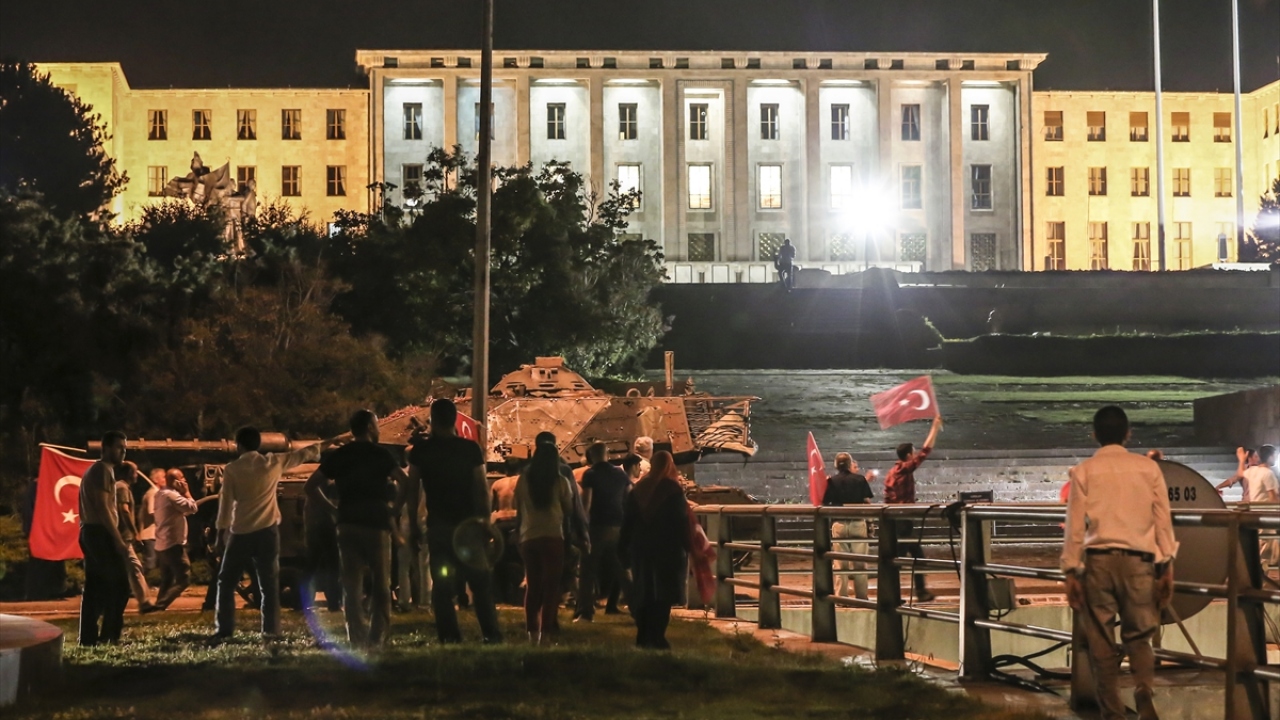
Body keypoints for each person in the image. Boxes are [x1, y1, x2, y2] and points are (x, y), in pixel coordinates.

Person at [1062, 406, 1177, 720]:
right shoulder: (1148, 469)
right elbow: (1162, 521)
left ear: (1095, 435)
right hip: (1140, 562)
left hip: (1098, 563)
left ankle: (1113, 713)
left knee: (1102, 646)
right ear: (1128, 434)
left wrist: (1070, 570)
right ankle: (1143, 690)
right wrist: (1166, 566)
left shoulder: (1083, 471)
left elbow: (1074, 526)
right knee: (1139, 638)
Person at [213, 427, 329, 640]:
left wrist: (221, 533)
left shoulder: (232, 469)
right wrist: (327, 444)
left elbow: (226, 503)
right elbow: (301, 455)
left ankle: (224, 629)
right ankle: (271, 630)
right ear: (258, 444)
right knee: (269, 583)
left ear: (239, 445)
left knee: (226, 581)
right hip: (267, 531)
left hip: (241, 531)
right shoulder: (272, 463)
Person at [306, 410, 408, 648]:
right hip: (376, 523)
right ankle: (378, 636)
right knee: (381, 583)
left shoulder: (341, 455)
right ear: (371, 428)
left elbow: (311, 486)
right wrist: (395, 508)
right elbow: (404, 481)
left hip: (348, 523)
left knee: (351, 585)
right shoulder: (381, 455)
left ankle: (356, 637)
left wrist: (332, 509)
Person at [406, 398, 502, 644]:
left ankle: (449, 636)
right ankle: (491, 634)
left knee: (442, 586)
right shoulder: (470, 450)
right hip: (468, 527)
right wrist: (485, 522)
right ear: (454, 419)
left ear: (433, 420)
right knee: (480, 585)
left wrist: (414, 526)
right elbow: (482, 488)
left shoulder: (421, 451)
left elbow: (412, 489)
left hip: (438, 526)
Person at [621, 451, 692, 649]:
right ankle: (658, 636)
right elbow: (680, 521)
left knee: (644, 590)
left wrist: (623, 547)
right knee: (664, 594)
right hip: (667, 549)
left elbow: (628, 520)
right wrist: (689, 546)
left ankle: (643, 635)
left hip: (641, 548)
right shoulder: (672, 489)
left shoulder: (640, 487)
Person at [515, 435, 580, 644]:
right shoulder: (561, 481)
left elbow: (519, 508)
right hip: (553, 536)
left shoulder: (523, 480)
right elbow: (569, 509)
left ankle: (531, 634)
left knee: (533, 587)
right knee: (551, 588)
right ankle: (546, 634)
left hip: (529, 536)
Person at [78, 431, 133, 645]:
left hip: (91, 532)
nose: (123, 451)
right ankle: (109, 635)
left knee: (95, 586)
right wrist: (117, 538)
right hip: (99, 532)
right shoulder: (102, 469)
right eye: (119, 447)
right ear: (106, 448)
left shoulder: (99, 470)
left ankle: (89, 638)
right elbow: (103, 508)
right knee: (119, 585)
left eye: (125, 448)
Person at [882, 414, 942, 602]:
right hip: (904, 520)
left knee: (914, 555)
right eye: (913, 453)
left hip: (895, 520)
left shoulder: (892, 472)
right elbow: (926, 450)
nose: (915, 454)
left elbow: (887, 497)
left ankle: (920, 591)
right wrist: (935, 427)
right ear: (908, 455)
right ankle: (896, 593)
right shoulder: (904, 469)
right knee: (903, 558)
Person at [576, 442, 631, 620]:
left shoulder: (590, 474)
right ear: (607, 454)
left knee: (588, 571)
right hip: (618, 525)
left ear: (592, 455)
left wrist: (583, 528)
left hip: (597, 527)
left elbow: (586, 504)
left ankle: (586, 612)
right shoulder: (620, 473)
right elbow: (629, 497)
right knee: (623, 571)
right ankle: (639, 609)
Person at [822, 453, 874, 600]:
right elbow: (866, 502)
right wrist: (870, 522)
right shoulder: (860, 480)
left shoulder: (832, 482)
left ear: (836, 465)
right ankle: (862, 597)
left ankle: (841, 597)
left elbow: (825, 503)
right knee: (860, 562)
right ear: (850, 464)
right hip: (858, 522)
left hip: (839, 524)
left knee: (840, 563)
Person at [115, 462, 157, 613]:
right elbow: (124, 510)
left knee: (129, 568)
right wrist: (134, 532)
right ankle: (144, 602)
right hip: (123, 536)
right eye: (135, 472)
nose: (137, 475)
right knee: (135, 567)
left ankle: (143, 601)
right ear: (128, 473)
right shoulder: (122, 488)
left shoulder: (121, 487)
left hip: (120, 535)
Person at [153, 468, 198, 609]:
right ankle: (161, 605)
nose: (184, 480)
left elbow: (180, 511)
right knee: (183, 579)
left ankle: (158, 607)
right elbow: (193, 507)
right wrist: (187, 492)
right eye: (182, 478)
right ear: (174, 481)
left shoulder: (159, 494)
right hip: (173, 544)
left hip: (162, 543)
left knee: (167, 580)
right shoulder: (171, 495)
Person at [302, 472, 343, 613]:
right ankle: (333, 603)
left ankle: (303, 601)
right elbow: (334, 506)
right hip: (327, 528)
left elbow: (306, 510)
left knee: (311, 566)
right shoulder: (331, 486)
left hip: (313, 528)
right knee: (333, 566)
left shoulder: (315, 486)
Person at [135, 468, 161, 573]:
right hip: (150, 534)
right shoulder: (153, 493)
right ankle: (135, 581)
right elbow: (151, 511)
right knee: (150, 563)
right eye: (163, 477)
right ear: (156, 480)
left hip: (155, 534)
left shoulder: (157, 492)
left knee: (157, 562)